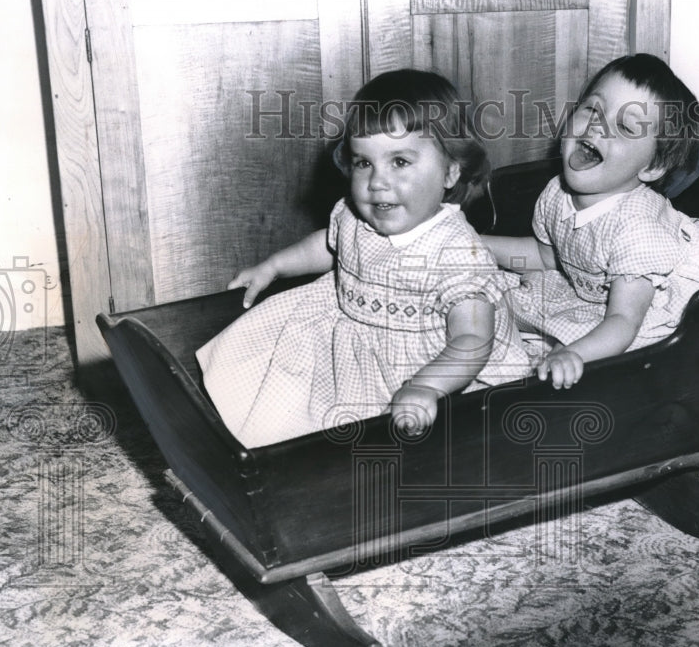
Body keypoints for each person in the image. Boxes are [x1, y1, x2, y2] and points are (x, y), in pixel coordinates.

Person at [197, 69, 531, 447]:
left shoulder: (457, 251)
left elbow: (472, 338)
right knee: (277, 387)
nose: (377, 181)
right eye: (363, 163)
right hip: (352, 343)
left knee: (416, 447)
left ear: (450, 172)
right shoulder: (352, 216)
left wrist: (425, 386)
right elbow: (327, 245)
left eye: (400, 162)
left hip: (433, 365)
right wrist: (273, 267)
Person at [484, 54, 699, 390]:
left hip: (644, 306)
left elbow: (623, 320)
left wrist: (573, 354)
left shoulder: (637, 228)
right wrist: (477, 242)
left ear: (650, 168)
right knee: (492, 297)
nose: (597, 125)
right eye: (592, 109)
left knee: (577, 359)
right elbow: (547, 257)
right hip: (593, 290)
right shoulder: (556, 192)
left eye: (624, 126)